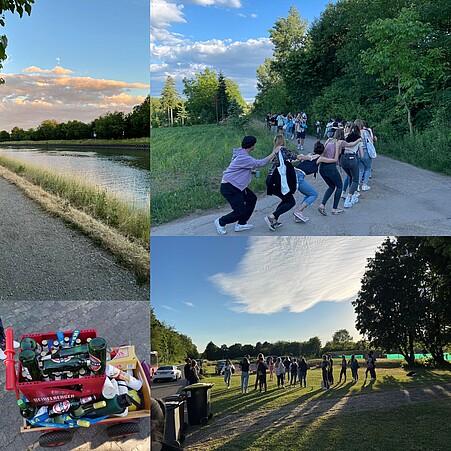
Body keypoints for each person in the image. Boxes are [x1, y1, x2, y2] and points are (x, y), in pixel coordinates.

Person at [215, 136, 276, 234]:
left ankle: (241, 224)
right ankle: (220, 222)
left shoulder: (240, 153)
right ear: (252, 145)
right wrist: (274, 152)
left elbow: (237, 167)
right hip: (229, 187)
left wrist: (250, 171)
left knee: (252, 199)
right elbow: (260, 163)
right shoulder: (244, 157)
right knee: (240, 211)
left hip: (237, 185)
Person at [316, 129, 361, 216]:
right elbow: (351, 144)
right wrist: (359, 140)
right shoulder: (341, 142)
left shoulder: (329, 140)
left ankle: (322, 205)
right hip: (331, 167)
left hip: (322, 167)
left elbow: (323, 152)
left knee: (331, 186)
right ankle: (334, 208)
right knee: (339, 186)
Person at [264, 134, 297, 231]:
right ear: (283, 141)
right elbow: (295, 156)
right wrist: (306, 157)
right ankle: (272, 217)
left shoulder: (275, 151)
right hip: (277, 181)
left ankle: (274, 220)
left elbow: (282, 162)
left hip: (271, 179)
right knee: (291, 202)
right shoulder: (283, 150)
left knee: (285, 200)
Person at [291, 142, 321, 223]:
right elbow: (332, 160)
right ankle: (298, 211)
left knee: (308, 194)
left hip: (294, 173)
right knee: (314, 194)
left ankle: (298, 214)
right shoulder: (319, 157)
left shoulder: (308, 156)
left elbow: (295, 160)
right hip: (298, 177)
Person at [340, 123, 363, 208]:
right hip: (352, 157)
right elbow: (362, 154)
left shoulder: (343, 137)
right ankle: (348, 198)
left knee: (349, 176)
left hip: (342, 158)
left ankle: (352, 195)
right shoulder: (358, 139)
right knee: (355, 179)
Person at [354, 119, 373, 191]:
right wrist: (370, 131)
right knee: (368, 168)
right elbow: (371, 141)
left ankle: (358, 185)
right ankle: (365, 184)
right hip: (365, 151)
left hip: (358, 151)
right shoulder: (365, 132)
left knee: (360, 169)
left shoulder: (356, 133)